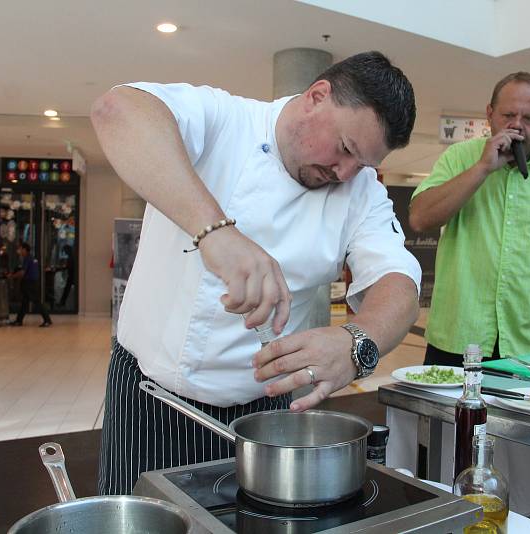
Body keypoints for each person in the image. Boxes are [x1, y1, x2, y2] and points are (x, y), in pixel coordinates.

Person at [91, 51, 422, 495]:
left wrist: (358, 341)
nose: (344, 172)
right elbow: (117, 111)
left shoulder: (359, 191)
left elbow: (397, 282)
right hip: (152, 398)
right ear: (317, 96)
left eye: (360, 164)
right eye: (345, 148)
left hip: (267, 408)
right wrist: (215, 232)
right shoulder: (227, 119)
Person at [408, 72, 530, 366]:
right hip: (455, 341)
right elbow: (420, 218)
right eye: (508, 114)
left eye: (529, 118)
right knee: (448, 414)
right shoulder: (459, 158)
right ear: (489, 114)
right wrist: (482, 169)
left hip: (529, 349)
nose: (517, 125)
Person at [9, 242, 53, 327]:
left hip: (30, 284)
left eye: (20, 249)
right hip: (32, 282)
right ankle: (19, 321)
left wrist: (12, 276)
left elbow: (22, 272)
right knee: (24, 303)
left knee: (37, 302)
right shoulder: (32, 258)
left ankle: (47, 320)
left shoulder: (27, 258)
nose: (19, 251)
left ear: (24, 250)